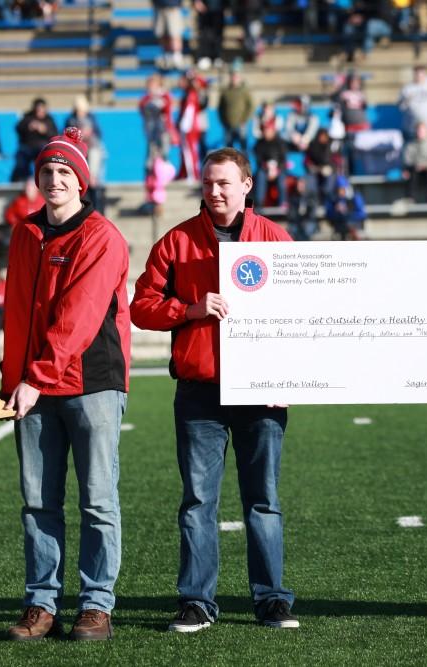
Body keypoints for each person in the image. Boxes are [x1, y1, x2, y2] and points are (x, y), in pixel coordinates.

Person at [130, 148, 299, 632]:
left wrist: (289, 376)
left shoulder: (274, 238)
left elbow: (303, 317)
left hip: (261, 392)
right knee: (198, 501)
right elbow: (141, 306)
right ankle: (197, 602)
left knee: (262, 499)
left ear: (247, 185)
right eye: (207, 183)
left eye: (224, 183)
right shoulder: (177, 241)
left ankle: (271, 600)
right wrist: (189, 308)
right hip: (199, 391)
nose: (214, 191)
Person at [1, 127, 131, 642]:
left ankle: (97, 604)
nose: (54, 180)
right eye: (47, 172)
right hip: (33, 387)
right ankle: (42, 603)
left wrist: (33, 378)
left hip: (91, 383)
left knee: (97, 499)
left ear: (82, 181)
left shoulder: (101, 236)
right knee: (38, 501)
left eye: (64, 173)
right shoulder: (25, 233)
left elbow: (77, 320)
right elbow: (15, 311)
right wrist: (15, 380)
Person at [11, 98, 57, 182]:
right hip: (27, 146)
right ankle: (21, 181)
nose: (39, 112)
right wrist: (29, 126)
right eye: (38, 109)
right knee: (21, 158)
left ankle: (46, 179)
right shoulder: (28, 117)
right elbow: (18, 128)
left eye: (41, 109)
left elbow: (55, 135)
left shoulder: (49, 120)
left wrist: (45, 130)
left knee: (46, 157)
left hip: (43, 147)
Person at [218, 66, 254, 152]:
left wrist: (244, 120)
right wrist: (224, 121)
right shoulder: (225, 91)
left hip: (241, 125)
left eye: (236, 76)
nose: (234, 78)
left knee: (243, 149)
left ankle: (245, 165)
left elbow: (251, 106)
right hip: (228, 125)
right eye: (232, 76)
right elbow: (220, 108)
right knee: (228, 151)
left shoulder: (244, 91)